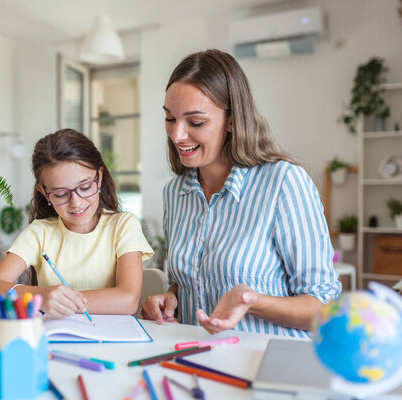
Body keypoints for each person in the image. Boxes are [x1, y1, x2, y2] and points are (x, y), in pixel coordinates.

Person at [140, 50, 341, 338]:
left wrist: (252, 302)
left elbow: (325, 308)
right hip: (196, 360)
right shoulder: (176, 193)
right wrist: (171, 298)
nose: (177, 135)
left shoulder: (283, 181)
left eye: (195, 122)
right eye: (170, 118)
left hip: (267, 364)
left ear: (233, 121)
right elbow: (184, 283)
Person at [0, 129, 153, 318]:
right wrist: (42, 297)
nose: (76, 203)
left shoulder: (123, 226)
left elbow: (128, 301)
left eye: (85, 187)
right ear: (44, 192)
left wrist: (64, 301)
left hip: (110, 343)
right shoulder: (40, 232)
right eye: (61, 194)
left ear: (99, 177)